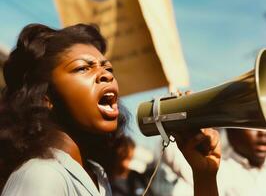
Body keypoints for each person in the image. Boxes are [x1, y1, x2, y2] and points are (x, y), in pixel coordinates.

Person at [0, 23, 220, 196]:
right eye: (82, 68)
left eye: (108, 68)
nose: (106, 74)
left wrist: (205, 176)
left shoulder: (96, 175)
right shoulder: (41, 175)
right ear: (45, 97)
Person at [167, 127, 266, 196]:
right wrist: (206, 177)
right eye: (251, 122)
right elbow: (171, 149)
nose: (263, 132)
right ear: (230, 131)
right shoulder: (217, 169)